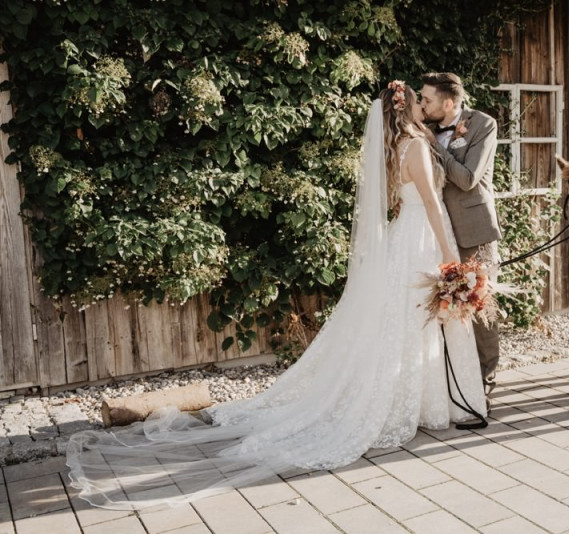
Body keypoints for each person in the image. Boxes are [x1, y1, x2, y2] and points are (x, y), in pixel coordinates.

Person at [65, 81, 486, 510]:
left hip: (408, 238)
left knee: (410, 321)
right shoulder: (415, 146)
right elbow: (432, 205)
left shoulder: (403, 145)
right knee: (415, 320)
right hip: (423, 238)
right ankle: (424, 404)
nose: (424, 105)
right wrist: (453, 262)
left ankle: (427, 400)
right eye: (419, 100)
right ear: (406, 108)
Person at [420, 72, 502, 402]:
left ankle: (486, 378)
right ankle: (448, 376)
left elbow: (468, 179)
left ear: (449, 102)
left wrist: (433, 146)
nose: (423, 105)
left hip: (474, 230)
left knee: (481, 305)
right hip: (434, 230)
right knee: (439, 306)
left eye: (427, 100)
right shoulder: (422, 127)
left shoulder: (482, 124)